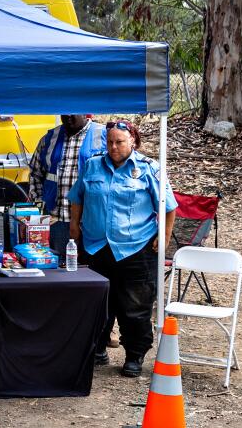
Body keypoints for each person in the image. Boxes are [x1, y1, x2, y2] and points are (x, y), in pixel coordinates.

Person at [68, 120, 176, 378]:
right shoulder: (93, 165)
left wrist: (165, 235)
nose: (114, 147)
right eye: (110, 142)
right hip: (96, 246)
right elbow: (76, 198)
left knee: (135, 306)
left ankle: (134, 356)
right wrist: (74, 225)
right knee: (97, 302)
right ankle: (97, 350)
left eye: (120, 142)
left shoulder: (149, 168)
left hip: (135, 248)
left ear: (133, 142)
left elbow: (169, 207)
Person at [28, 114, 107, 261]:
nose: (68, 116)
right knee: (61, 272)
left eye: (73, 111)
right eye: (64, 112)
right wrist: (39, 207)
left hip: (90, 221)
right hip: (57, 219)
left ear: (85, 112)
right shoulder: (50, 138)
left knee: (92, 271)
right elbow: (35, 173)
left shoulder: (104, 135)